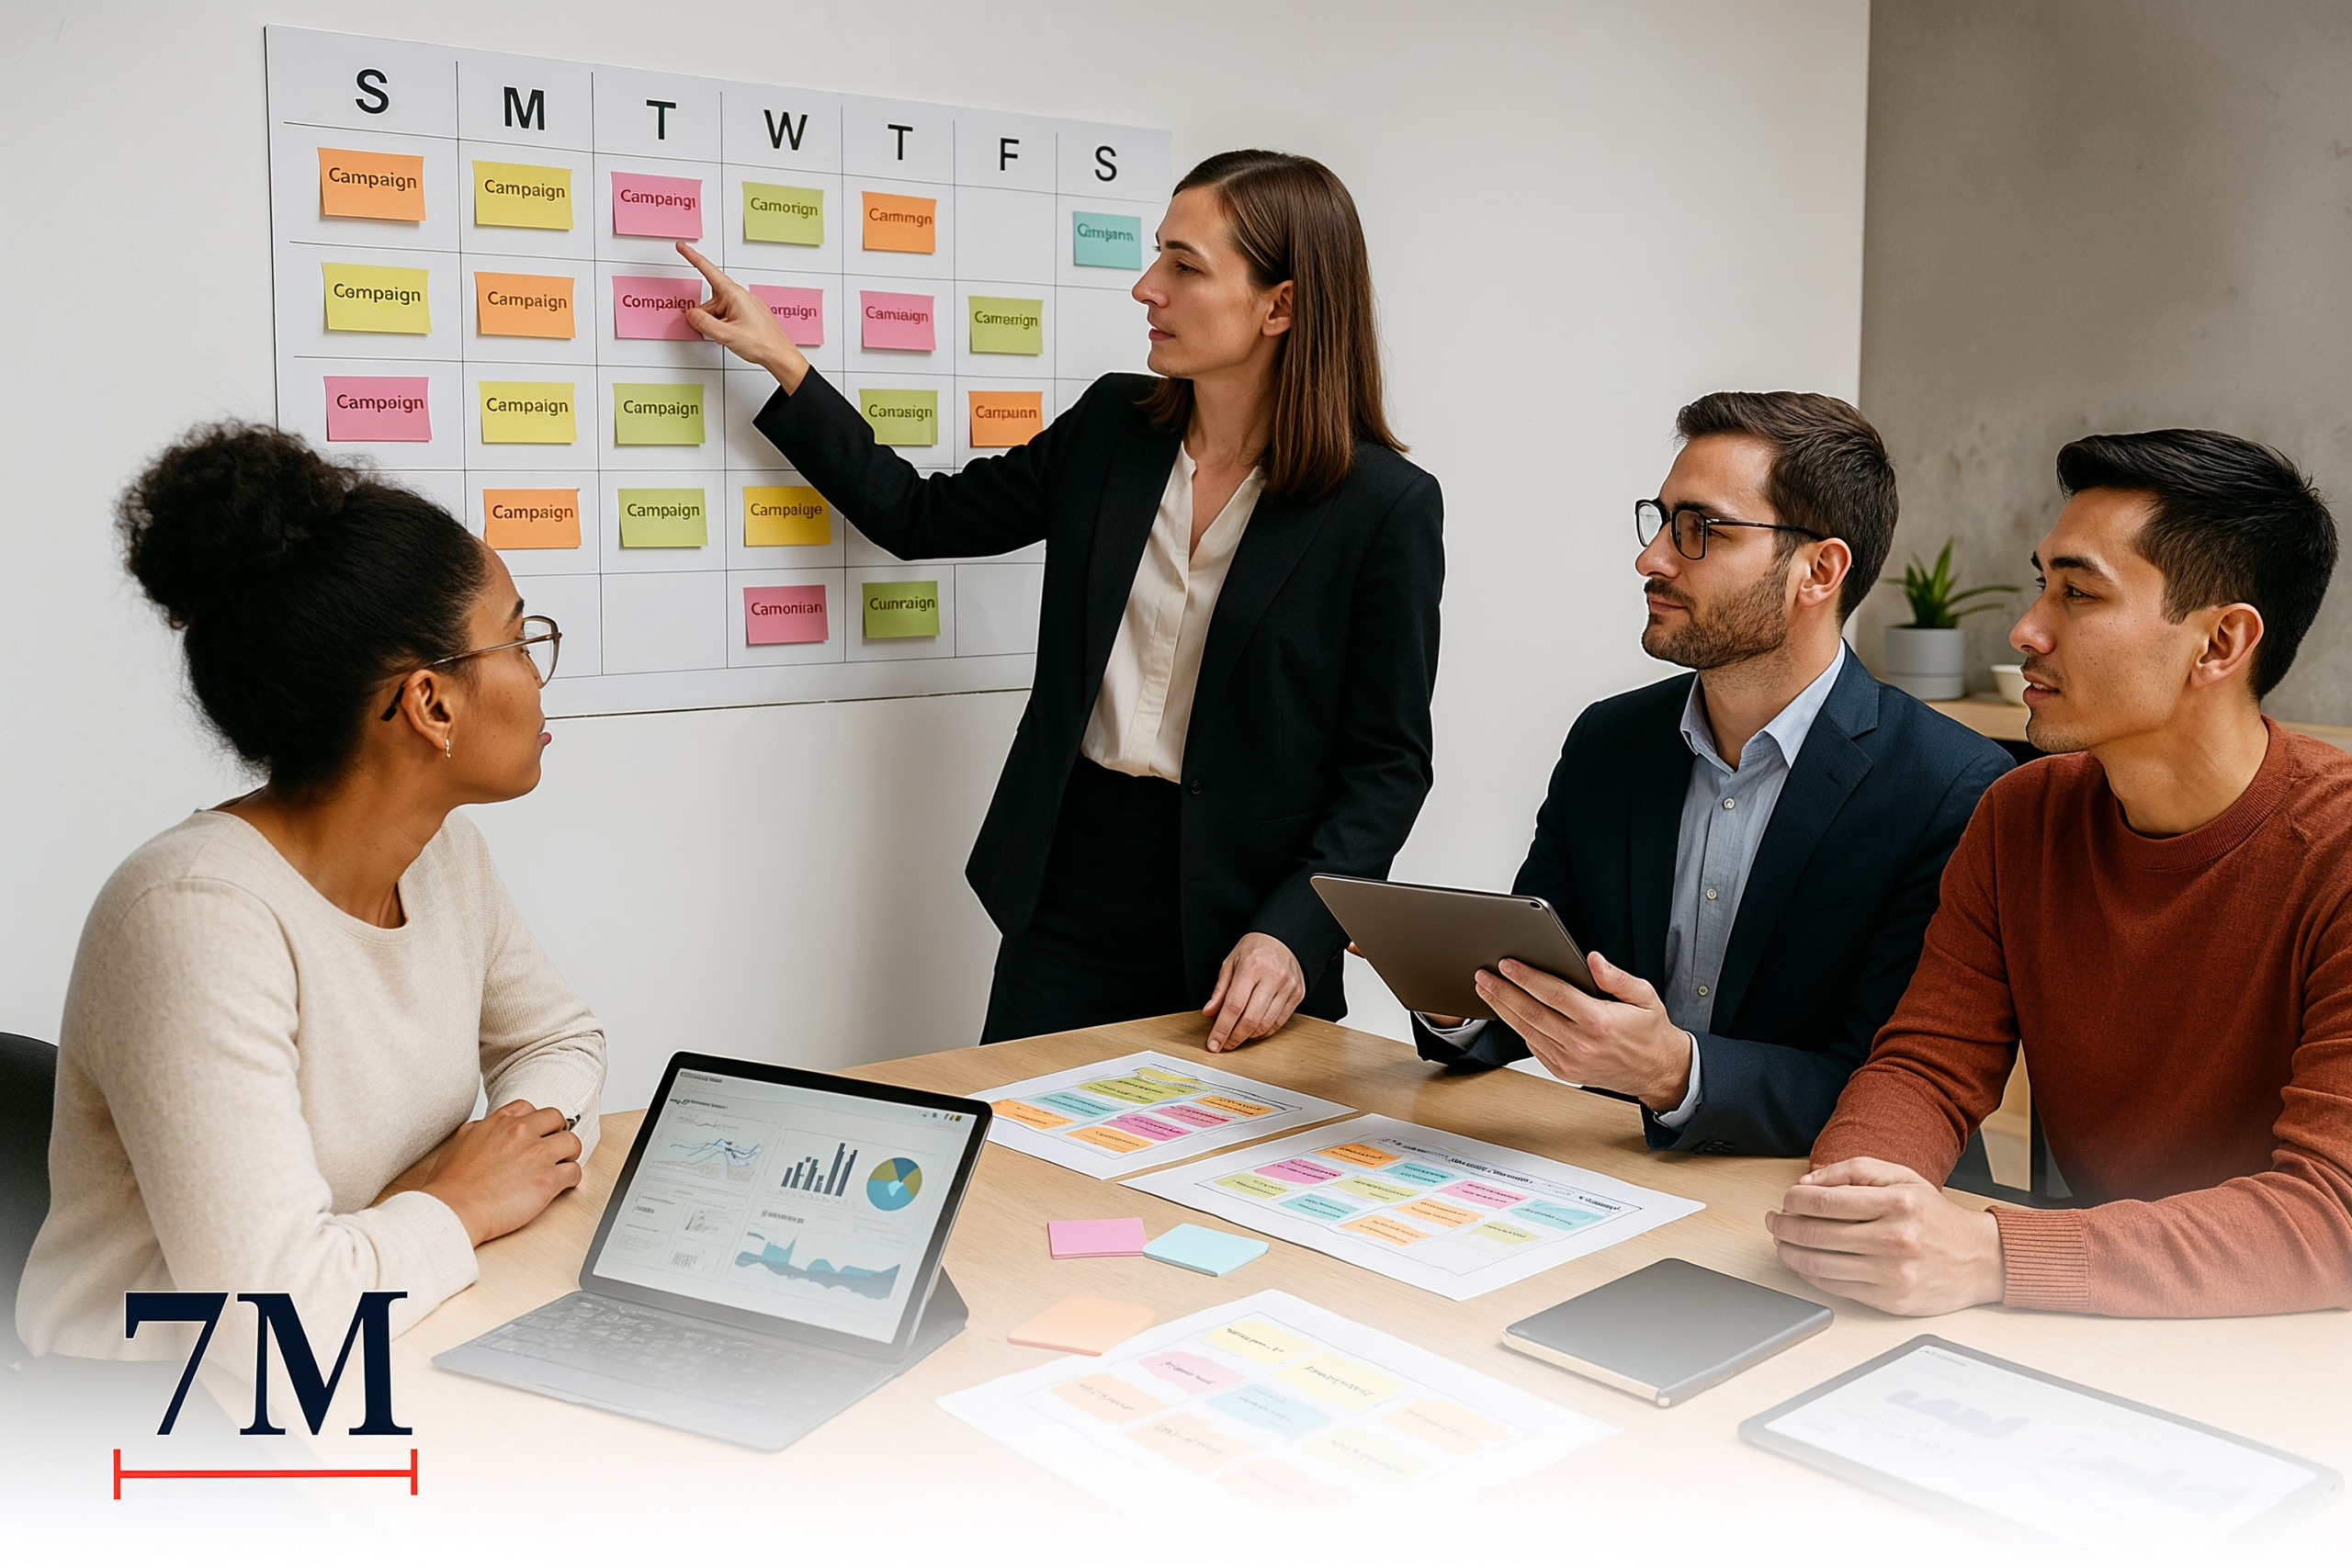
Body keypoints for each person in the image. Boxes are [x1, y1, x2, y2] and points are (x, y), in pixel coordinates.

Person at [676, 151, 1442, 1049]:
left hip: (1245, 930)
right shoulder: (1113, 429)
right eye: (1158, 254)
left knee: (1202, 1185)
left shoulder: (1381, 505)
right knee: (1019, 1162)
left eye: (1184, 266)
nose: (1146, 288)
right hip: (1068, 890)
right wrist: (784, 363)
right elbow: (919, 515)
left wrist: (1293, 934)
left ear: (1281, 305)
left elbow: (1385, 766)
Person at [17, 424, 606, 1361]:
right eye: (519, 638)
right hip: (163, 1423)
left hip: (373, 1345)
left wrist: (495, 1160)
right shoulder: (193, 918)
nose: (537, 673)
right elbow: (270, 1325)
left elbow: (560, 1041)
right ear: (432, 703)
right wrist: (454, 1202)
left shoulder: (445, 860)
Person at [1772, 429, 2352, 1317]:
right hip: (2090, 1314)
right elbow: (1927, 1065)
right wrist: (1860, 1201)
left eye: (2078, 593)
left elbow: (2331, 1215)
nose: (2026, 628)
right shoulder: (2022, 816)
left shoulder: (2336, 851)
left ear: (2221, 643)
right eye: (2042, 582)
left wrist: (1994, 1252)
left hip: (2295, 1345)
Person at [1413, 393, 2011, 1156]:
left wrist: (1678, 1074)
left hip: (1829, 1206)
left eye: (1699, 529)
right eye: (1660, 520)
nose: (1651, 557)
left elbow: (1899, 1087)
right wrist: (1456, 999)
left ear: (1818, 570)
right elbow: (1552, 978)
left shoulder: (1952, 790)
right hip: (1611, 1180)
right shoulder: (1609, 741)